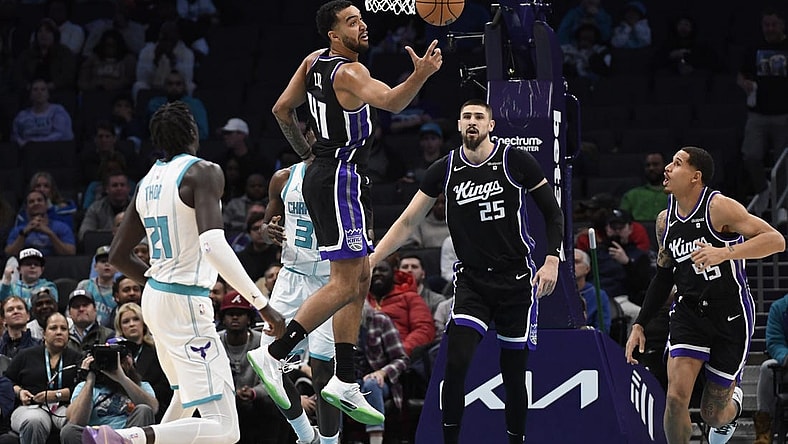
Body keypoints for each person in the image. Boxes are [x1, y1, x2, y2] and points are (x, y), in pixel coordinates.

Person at [252, 0, 441, 427]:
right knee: (344, 281)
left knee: (361, 275)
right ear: (335, 34)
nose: (363, 25)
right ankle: (275, 353)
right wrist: (422, 74)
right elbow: (392, 102)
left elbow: (282, 110)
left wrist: (308, 156)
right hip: (339, 177)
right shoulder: (351, 72)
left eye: (361, 18)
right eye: (352, 22)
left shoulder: (312, 62)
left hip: (333, 174)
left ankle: (345, 377)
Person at [369, 99, 564, 444]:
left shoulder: (515, 160)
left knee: (514, 374)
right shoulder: (444, 168)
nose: (472, 122)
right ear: (459, 125)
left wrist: (552, 260)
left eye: (479, 117)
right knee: (455, 363)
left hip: (516, 280)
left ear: (491, 125)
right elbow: (408, 221)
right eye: (466, 117)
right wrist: (372, 259)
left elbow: (553, 213)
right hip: (473, 281)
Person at [98, 100, 285, 444]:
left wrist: (160, 285)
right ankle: (127, 439)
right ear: (192, 132)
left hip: (156, 297)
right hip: (185, 301)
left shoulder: (147, 181)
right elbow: (213, 245)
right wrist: (262, 304)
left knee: (185, 398)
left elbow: (118, 256)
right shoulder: (203, 171)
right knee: (226, 429)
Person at [625, 146, 786, 444]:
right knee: (675, 399)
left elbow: (776, 241)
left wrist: (725, 252)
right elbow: (663, 276)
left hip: (730, 314)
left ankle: (732, 406)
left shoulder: (719, 207)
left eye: (677, 163)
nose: (667, 168)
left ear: (695, 177)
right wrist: (640, 324)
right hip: (688, 313)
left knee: (713, 414)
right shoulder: (664, 221)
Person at [252, 161, 341, 444]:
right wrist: (268, 231)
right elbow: (266, 227)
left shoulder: (344, 176)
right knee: (267, 365)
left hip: (329, 279)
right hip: (291, 278)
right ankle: (306, 435)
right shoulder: (283, 178)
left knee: (324, 371)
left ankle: (329, 442)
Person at [217, 292, 290, 444]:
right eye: (230, 314)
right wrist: (230, 393)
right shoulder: (215, 342)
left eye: (240, 314)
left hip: (257, 402)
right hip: (224, 401)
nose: (235, 317)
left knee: (273, 404)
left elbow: (274, 377)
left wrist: (254, 392)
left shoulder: (263, 341)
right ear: (222, 318)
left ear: (249, 318)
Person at [737, 8, 788, 216]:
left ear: (782, 25)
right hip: (758, 113)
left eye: (774, 24)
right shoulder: (754, 48)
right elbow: (741, 75)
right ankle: (762, 189)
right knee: (750, 155)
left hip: (784, 114)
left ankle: (782, 206)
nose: (770, 29)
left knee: (783, 163)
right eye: (766, 25)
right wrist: (745, 84)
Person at [60, 340, 159, 444]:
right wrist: (90, 381)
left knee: (144, 409)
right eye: (115, 357)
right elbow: (76, 421)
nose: (121, 361)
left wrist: (122, 378)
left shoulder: (142, 386)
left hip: (129, 437)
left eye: (125, 356)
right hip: (97, 438)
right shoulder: (85, 387)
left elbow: (153, 408)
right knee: (68, 431)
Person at [6, 312, 81, 443]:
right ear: (44, 334)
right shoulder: (26, 355)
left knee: (75, 423)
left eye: (63, 329)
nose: (59, 332)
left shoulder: (77, 358)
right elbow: (7, 381)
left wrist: (56, 395)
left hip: (64, 407)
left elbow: (83, 388)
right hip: (31, 407)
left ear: (69, 335)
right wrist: (20, 392)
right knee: (34, 421)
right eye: (53, 328)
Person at [355, 301, 410, 444]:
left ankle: (376, 440)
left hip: (381, 382)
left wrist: (382, 372)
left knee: (371, 384)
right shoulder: (338, 324)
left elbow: (402, 359)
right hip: (351, 380)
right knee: (333, 390)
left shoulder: (380, 320)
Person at [113, 303, 171, 422]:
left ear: (144, 324)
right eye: (126, 321)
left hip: (154, 410)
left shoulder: (158, 352)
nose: (132, 324)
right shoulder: (113, 354)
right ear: (120, 327)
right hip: (118, 409)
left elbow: (166, 387)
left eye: (136, 319)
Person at [366, 258, 435, 356]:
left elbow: (424, 329)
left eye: (382, 270)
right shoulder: (360, 301)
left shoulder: (410, 297)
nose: (377, 273)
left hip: (402, 356)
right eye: (373, 270)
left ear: (394, 273)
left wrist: (400, 351)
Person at [753, 292, 788, 444]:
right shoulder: (779, 308)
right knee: (766, 368)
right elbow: (774, 342)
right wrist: (785, 357)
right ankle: (764, 431)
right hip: (786, 365)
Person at [5, 190, 76, 257]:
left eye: (39, 200)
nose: (36, 203)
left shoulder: (62, 227)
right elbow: (9, 254)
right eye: (31, 202)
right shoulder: (18, 230)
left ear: (46, 205)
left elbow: (70, 253)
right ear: (26, 208)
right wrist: (24, 234)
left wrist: (50, 234)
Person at [146, 70, 209, 140]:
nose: (174, 87)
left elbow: (203, 132)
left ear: (184, 86)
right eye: (170, 84)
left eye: (178, 84)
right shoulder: (155, 104)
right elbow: (152, 130)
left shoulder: (195, 104)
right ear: (164, 86)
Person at [10, 78, 74, 146]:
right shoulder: (22, 115)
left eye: (43, 89)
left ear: (48, 94)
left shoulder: (58, 111)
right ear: (30, 95)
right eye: (35, 89)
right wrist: (22, 143)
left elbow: (60, 134)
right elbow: (15, 136)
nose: (39, 92)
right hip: (29, 150)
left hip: (54, 148)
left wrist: (34, 143)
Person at [78, 171, 132, 241]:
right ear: (107, 189)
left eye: (122, 185)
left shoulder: (137, 206)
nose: (119, 188)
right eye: (115, 185)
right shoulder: (95, 208)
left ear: (128, 188)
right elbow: (83, 234)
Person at [77, 246, 120, 328]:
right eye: (103, 261)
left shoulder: (120, 289)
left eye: (110, 261)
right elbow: (71, 310)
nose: (107, 264)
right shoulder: (84, 285)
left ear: (117, 268)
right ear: (95, 267)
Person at [619, 152, 668, 223]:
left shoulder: (675, 195)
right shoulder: (631, 195)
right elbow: (622, 220)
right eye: (648, 165)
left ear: (665, 166)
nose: (651, 168)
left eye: (655, 164)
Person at [67, 289, 115, 354]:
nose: (81, 309)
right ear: (69, 313)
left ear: (95, 309)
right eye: (76, 306)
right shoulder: (64, 337)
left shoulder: (109, 335)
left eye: (85, 305)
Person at [574, 249, 611, 331]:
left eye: (576, 262)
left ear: (587, 269)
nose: (572, 265)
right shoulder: (555, 293)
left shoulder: (599, 295)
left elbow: (603, 330)